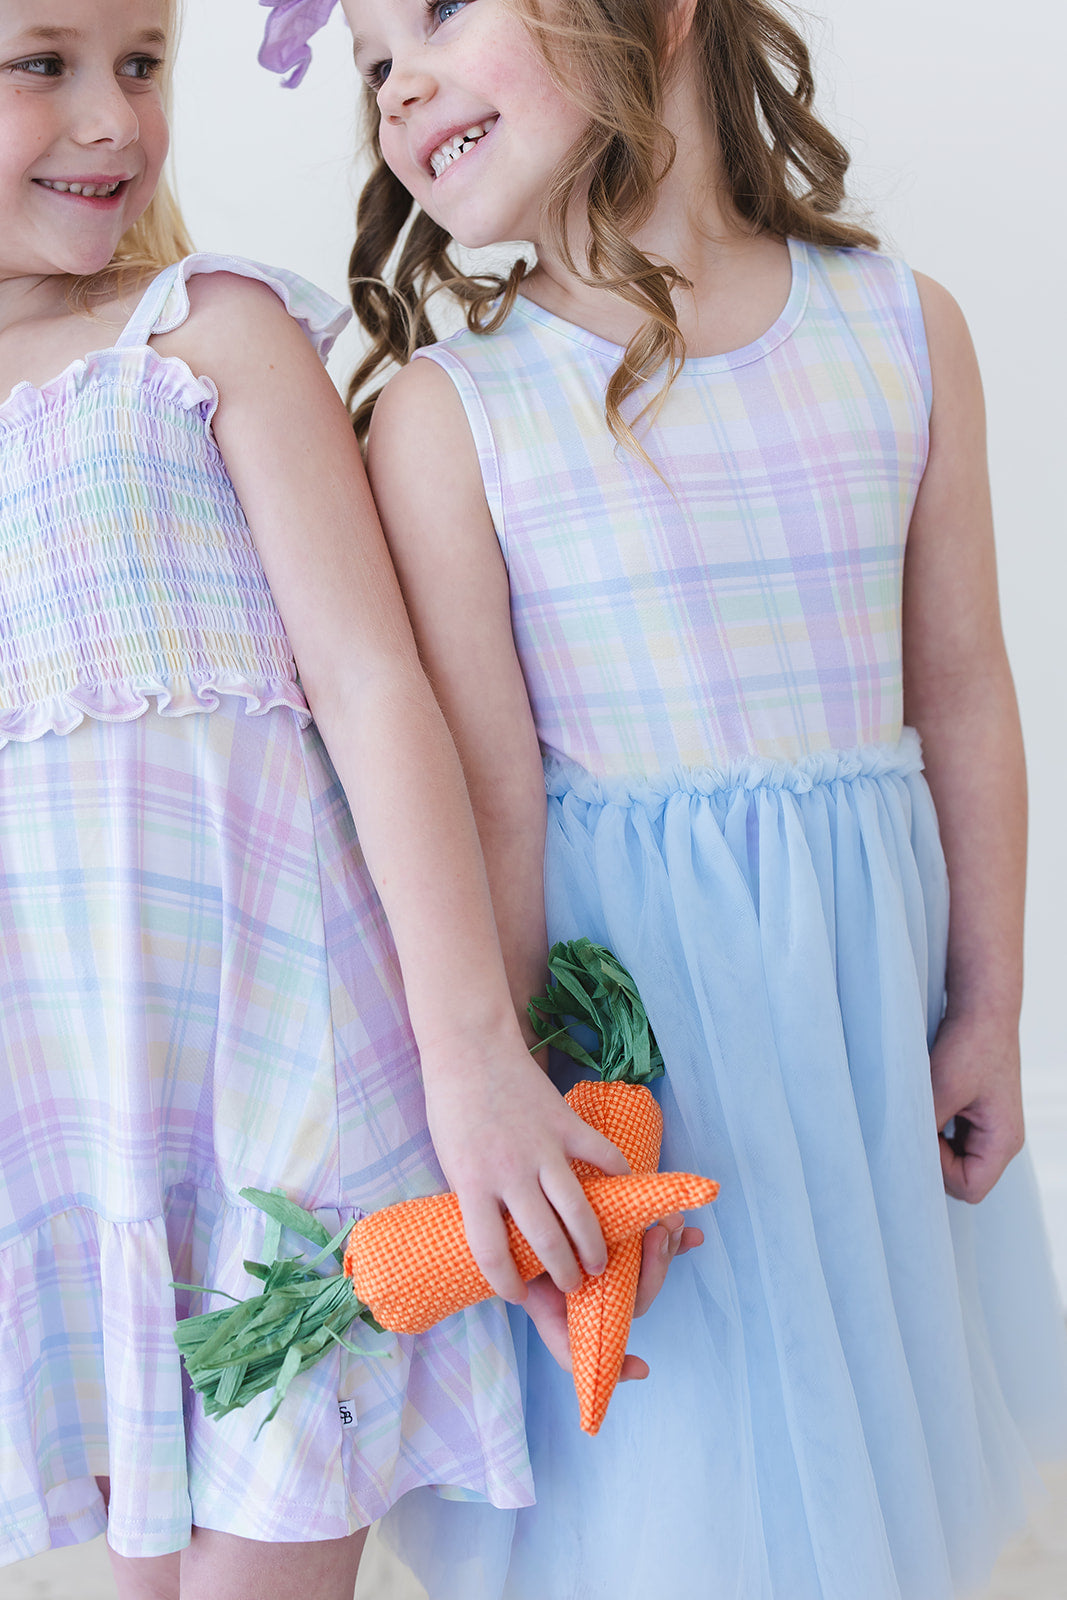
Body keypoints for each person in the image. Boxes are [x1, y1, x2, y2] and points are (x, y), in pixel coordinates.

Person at [253, 0, 1067, 1594]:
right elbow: (492, 807)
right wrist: (512, 1101)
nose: (398, 86)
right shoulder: (453, 417)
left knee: (864, 1453)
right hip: (644, 1064)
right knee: (684, 1484)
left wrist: (990, 1006)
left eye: (436, 13)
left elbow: (965, 693)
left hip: (860, 1042)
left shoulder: (903, 331)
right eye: (370, 66)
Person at [0, 1, 700, 1595]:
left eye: (142, 63)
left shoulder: (203, 330)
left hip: (289, 1085)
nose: (114, 119)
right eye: (44, 65)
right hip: (72, 1104)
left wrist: (478, 1057)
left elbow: (382, 689)